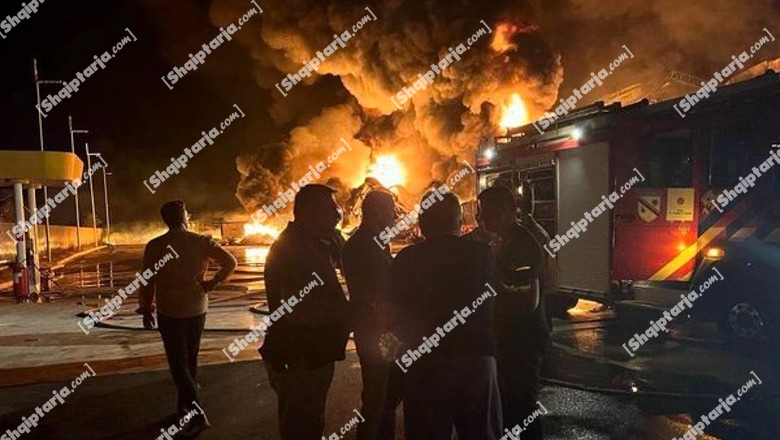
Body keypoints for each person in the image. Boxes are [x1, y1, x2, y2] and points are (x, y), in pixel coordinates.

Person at [387, 190, 502, 440]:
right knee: (481, 432)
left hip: (426, 364)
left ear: (422, 224)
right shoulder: (483, 254)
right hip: (477, 359)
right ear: (459, 222)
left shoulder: (406, 259)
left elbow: (389, 315)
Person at [137, 200, 237, 437]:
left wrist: (146, 308)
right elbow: (230, 262)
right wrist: (212, 283)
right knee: (189, 359)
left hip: (169, 311)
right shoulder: (200, 241)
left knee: (178, 362)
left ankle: (195, 408)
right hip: (196, 309)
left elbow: (147, 280)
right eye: (187, 212)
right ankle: (186, 407)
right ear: (183, 217)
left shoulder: (155, 245)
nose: (189, 215)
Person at [259, 184, 351, 440]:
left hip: (313, 353)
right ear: (309, 211)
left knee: (311, 421)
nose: (338, 215)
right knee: (300, 426)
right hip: (298, 357)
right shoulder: (293, 250)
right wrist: (350, 314)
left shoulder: (316, 242)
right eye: (331, 209)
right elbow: (298, 312)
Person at [467, 186, 550, 439]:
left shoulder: (522, 243)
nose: (484, 217)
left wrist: (488, 304)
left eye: (491, 211)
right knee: (507, 407)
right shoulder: (501, 241)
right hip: (507, 340)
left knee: (522, 407)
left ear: (509, 211)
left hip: (521, 341)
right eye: (482, 212)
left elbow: (528, 300)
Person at [342, 190, 403, 440]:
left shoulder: (372, 242)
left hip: (377, 330)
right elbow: (376, 295)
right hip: (378, 333)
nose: (395, 216)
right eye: (391, 211)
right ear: (378, 213)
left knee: (384, 394)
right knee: (378, 395)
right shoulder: (364, 246)